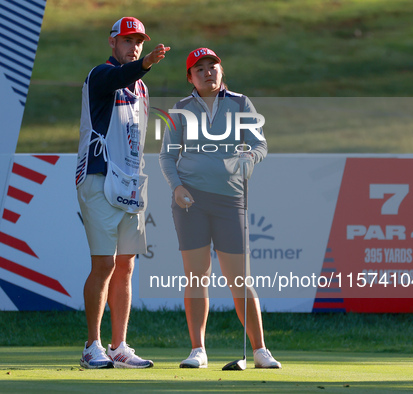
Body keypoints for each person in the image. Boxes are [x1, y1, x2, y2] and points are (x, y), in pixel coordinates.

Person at [159, 48, 281, 369]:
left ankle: (260, 350)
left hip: (230, 198)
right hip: (191, 202)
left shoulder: (240, 104)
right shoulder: (181, 109)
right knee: (197, 276)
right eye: (199, 69)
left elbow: (259, 144)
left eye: (212, 65)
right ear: (190, 78)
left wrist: (249, 158)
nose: (208, 71)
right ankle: (198, 350)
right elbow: (167, 156)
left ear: (221, 70)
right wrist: (178, 187)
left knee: (239, 278)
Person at [75, 17, 170, 369]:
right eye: (127, 40)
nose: (134, 47)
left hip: (129, 183)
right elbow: (119, 77)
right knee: (104, 263)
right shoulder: (101, 75)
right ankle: (92, 346)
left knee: (126, 266)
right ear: (112, 43)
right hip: (98, 176)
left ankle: (119, 346)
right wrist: (144, 65)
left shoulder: (141, 89)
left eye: (139, 42)